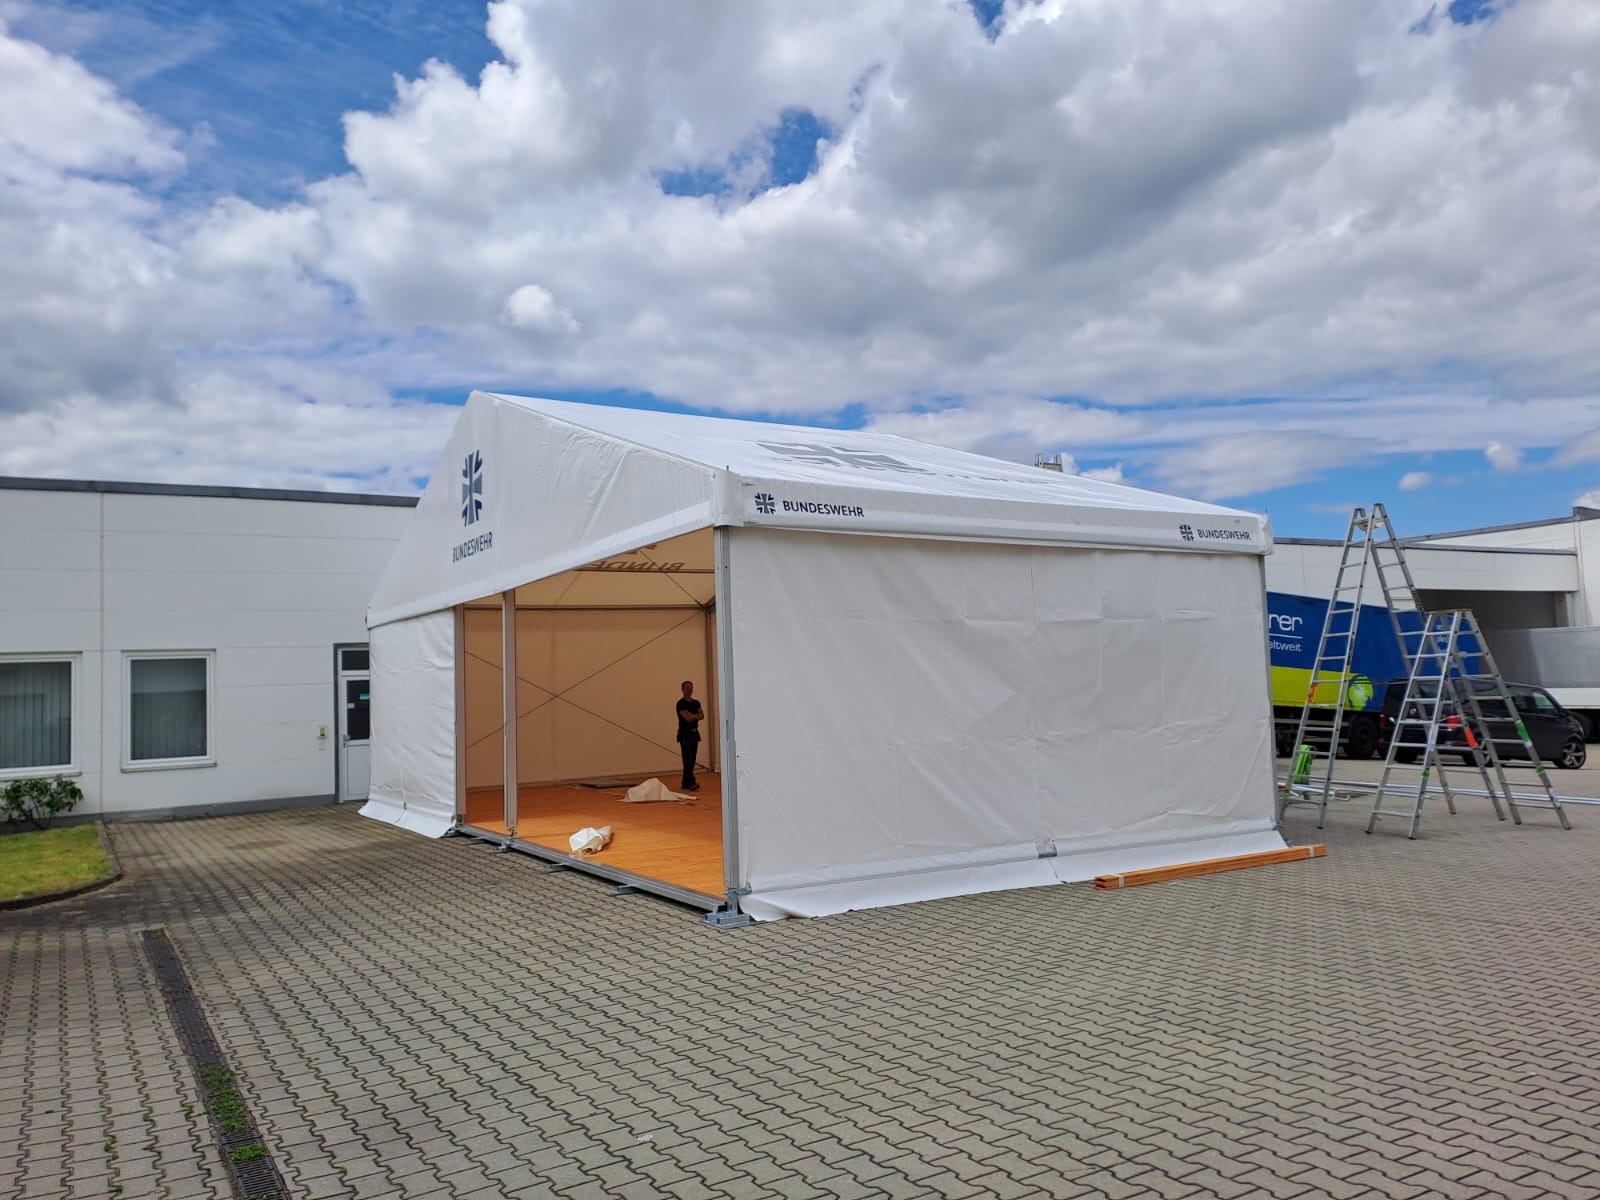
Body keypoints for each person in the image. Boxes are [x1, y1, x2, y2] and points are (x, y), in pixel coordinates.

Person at [675, 680, 704, 791]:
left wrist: (693, 715)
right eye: (686, 688)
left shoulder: (696, 702)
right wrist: (695, 715)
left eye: (690, 687)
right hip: (684, 734)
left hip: (694, 734)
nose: (689, 689)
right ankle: (691, 782)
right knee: (688, 759)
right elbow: (687, 718)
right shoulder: (681, 703)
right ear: (682, 689)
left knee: (692, 759)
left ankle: (685, 782)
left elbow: (702, 715)